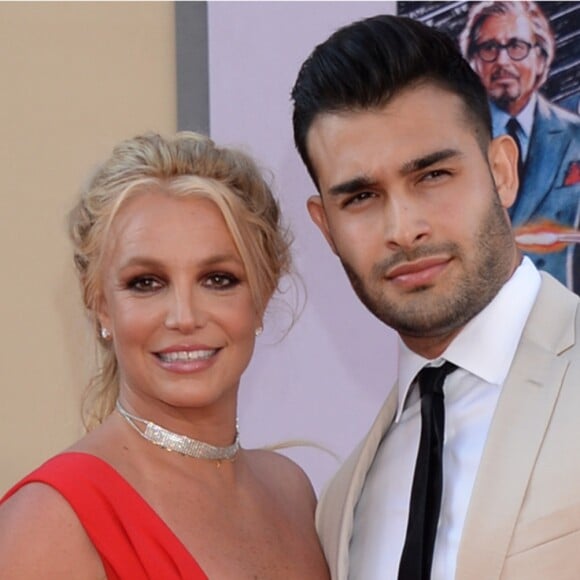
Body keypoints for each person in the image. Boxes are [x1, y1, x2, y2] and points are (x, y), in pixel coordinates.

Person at [291, 13, 580, 580]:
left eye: (432, 176)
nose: (403, 227)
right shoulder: (344, 500)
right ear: (326, 228)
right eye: (362, 197)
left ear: (501, 171)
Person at [0, 132, 330, 579]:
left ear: (263, 294)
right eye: (146, 283)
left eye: (218, 279)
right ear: (100, 305)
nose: (184, 317)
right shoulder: (51, 521)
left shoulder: (292, 492)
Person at [460, 1, 580, 289]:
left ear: (541, 57)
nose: (502, 62)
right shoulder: (452, 143)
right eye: (489, 48)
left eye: (516, 46)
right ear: (473, 61)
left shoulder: (575, 136)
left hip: (559, 320)